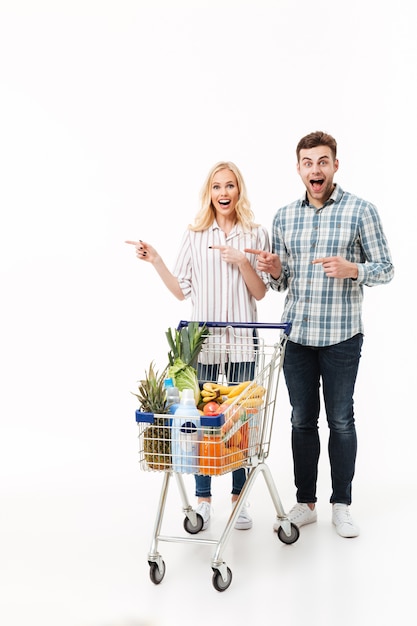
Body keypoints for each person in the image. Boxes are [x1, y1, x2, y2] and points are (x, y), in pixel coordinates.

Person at [246, 131, 394, 538]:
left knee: (341, 420)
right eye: (308, 163)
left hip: (343, 335)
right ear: (299, 168)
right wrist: (275, 268)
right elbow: (279, 282)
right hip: (297, 337)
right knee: (300, 421)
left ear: (335, 165)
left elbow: (386, 267)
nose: (316, 169)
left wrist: (354, 270)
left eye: (323, 161)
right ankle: (305, 502)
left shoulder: (361, 211)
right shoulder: (284, 216)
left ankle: (341, 505)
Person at [126, 161, 270, 530]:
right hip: (201, 345)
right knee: (199, 423)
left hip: (241, 343)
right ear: (209, 192)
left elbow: (260, 292)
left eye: (230, 186)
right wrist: (156, 260)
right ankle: (203, 499)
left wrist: (242, 263)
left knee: (238, 421)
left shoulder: (255, 234)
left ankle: (239, 498)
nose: (223, 193)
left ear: (240, 191)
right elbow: (180, 291)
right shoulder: (194, 235)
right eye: (217, 187)